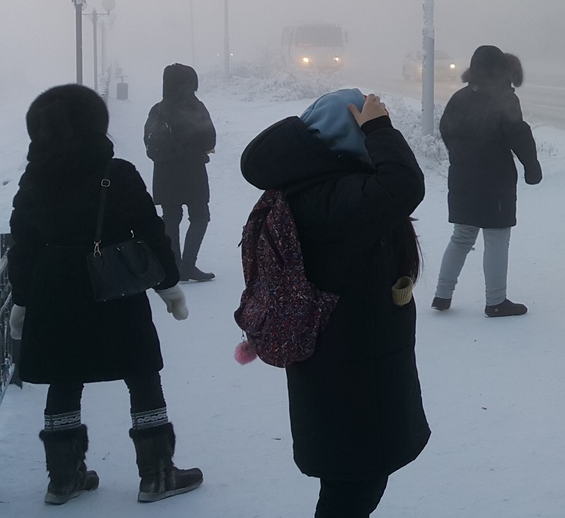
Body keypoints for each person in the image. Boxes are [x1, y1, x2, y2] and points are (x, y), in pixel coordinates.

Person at [7, 84, 202, 505]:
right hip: (113, 286)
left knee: (64, 378)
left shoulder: (34, 178)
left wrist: (21, 300)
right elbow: (153, 233)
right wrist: (168, 287)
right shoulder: (117, 171)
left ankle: (63, 479)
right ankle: (158, 475)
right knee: (142, 374)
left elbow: (22, 245)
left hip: (54, 290)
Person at [239, 89, 429, 518]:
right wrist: (381, 129)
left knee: (350, 481)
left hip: (343, 363)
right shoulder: (331, 198)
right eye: (361, 124)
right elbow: (404, 185)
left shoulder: (312, 184)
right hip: (352, 368)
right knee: (354, 487)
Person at [431, 45, 541, 317]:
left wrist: (461, 156)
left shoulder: (459, 97)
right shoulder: (504, 99)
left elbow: (446, 130)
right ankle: (495, 301)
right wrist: (531, 166)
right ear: (503, 69)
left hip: (462, 177)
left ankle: (442, 295)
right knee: (497, 237)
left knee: (461, 237)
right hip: (495, 180)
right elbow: (518, 134)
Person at [144, 63, 218, 281]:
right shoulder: (195, 107)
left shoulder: (157, 109)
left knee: (171, 218)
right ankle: (188, 265)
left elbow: (148, 142)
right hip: (192, 170)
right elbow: (209, 139)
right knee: (200, 216)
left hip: (165, 172)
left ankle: (173, 265)